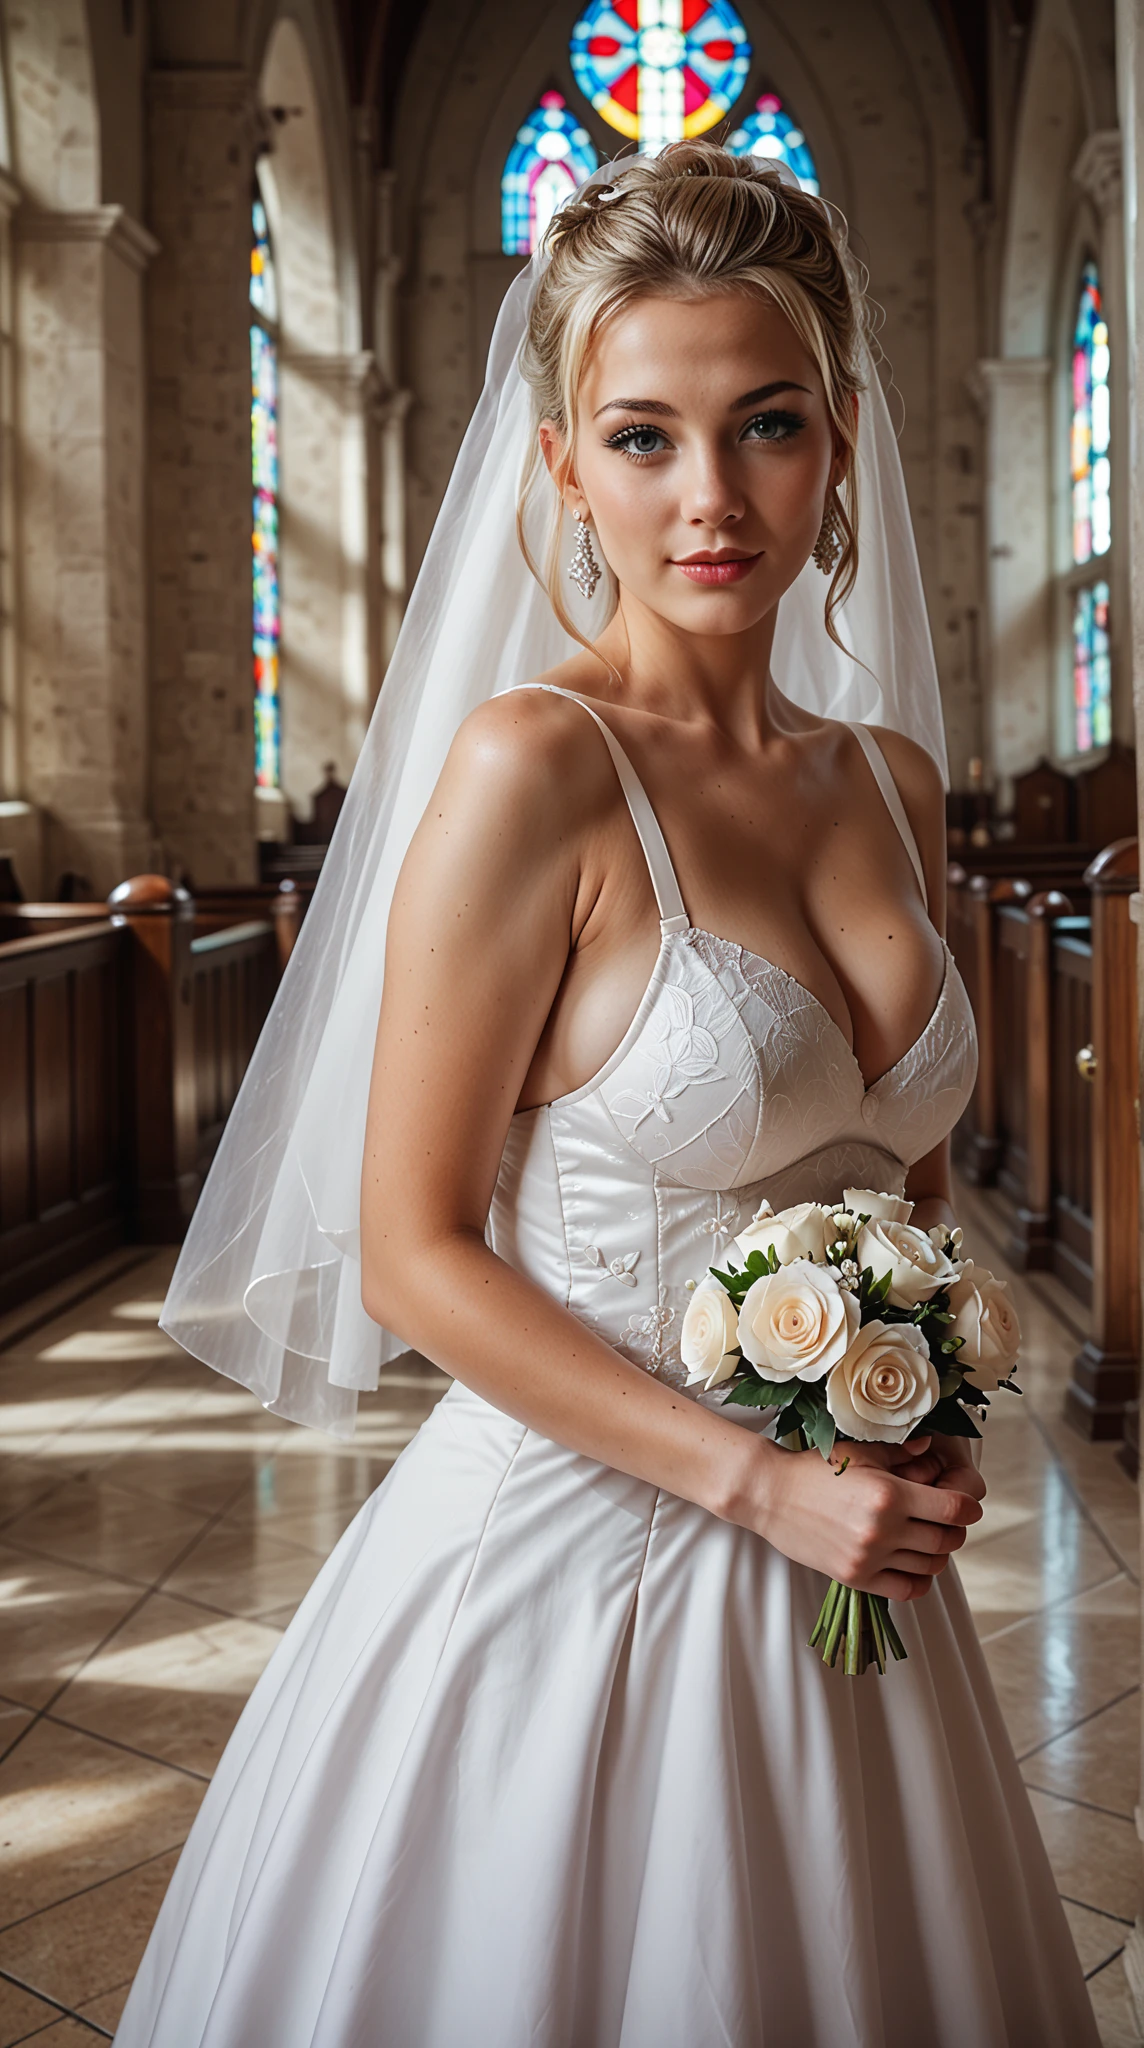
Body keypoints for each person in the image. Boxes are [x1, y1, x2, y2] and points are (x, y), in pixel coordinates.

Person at [115, 146, 1099, 2047]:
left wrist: (923, 1414)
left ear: (839, 448)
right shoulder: (531, 771)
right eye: (641, 437)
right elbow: (410, 1254)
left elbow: (906, 1179)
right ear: (560, 465)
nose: (708, 498)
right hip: (594, 1561)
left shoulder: (892, 778)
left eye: (766, 426)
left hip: (858, 1554)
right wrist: (761, 1483)